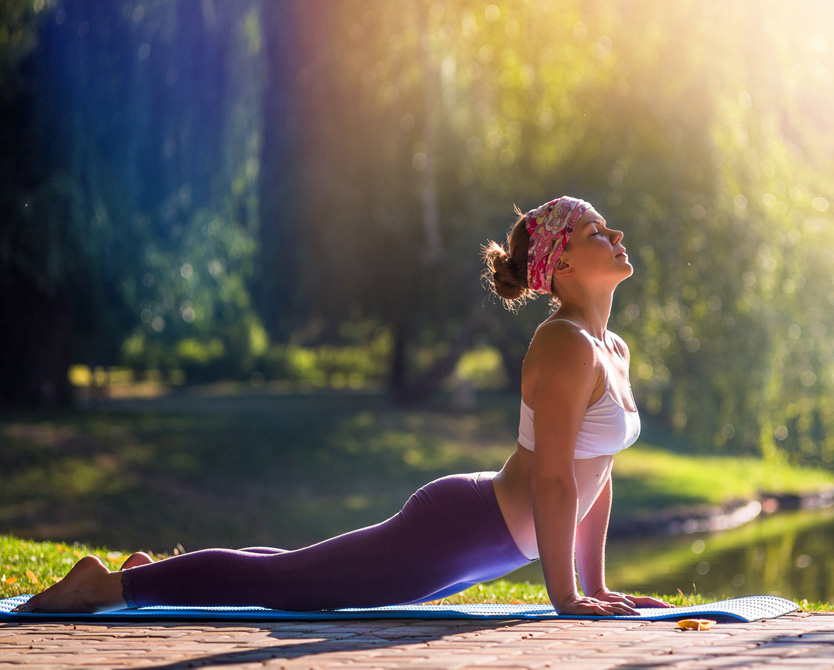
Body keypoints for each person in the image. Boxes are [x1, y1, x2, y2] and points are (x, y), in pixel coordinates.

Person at [16, 196, 671, 617]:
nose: (615, 233)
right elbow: (554, 481)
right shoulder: (564, 344)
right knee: (292, 590)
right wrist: (566, 598)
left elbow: (595, 477)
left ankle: (154, 576)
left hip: (487, 546)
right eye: (593, 231)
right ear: (561, 266)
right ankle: (103, 588)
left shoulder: (610, 347)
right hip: (462, 530)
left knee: (301, 573)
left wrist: (597, 585)